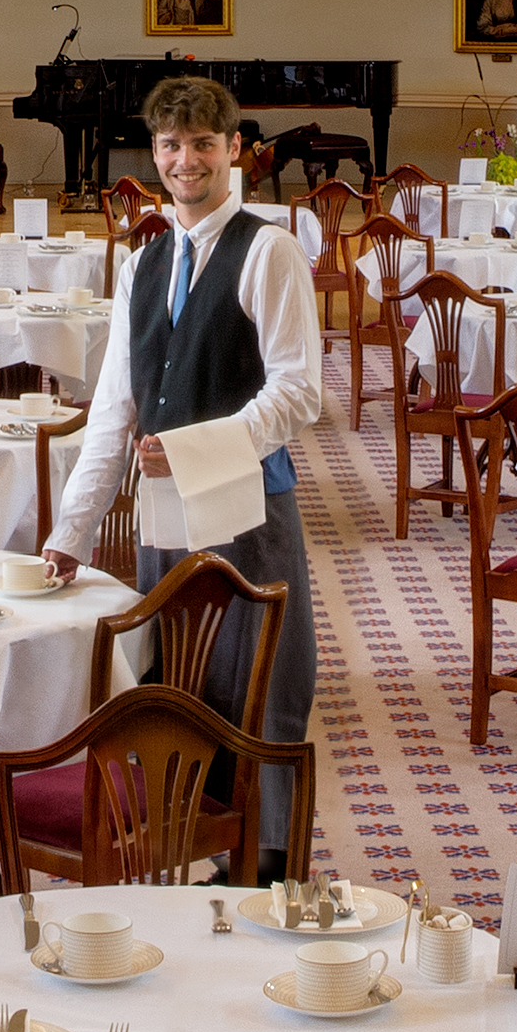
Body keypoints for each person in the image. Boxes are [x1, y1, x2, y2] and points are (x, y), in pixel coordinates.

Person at [40, 71, 323, 870]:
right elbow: (115, 411)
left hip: (248, 513)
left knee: (259, 700)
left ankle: (264, 875)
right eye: (171, 145)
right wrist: (72, 532)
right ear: (154, 154)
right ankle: (192, 860)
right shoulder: (144, 263)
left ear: (236, 151)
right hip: (167, 519)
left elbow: (301, 393)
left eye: (204, 143)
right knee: (181, 696)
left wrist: (203, 447)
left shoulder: (269, 250)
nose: (186, 160)